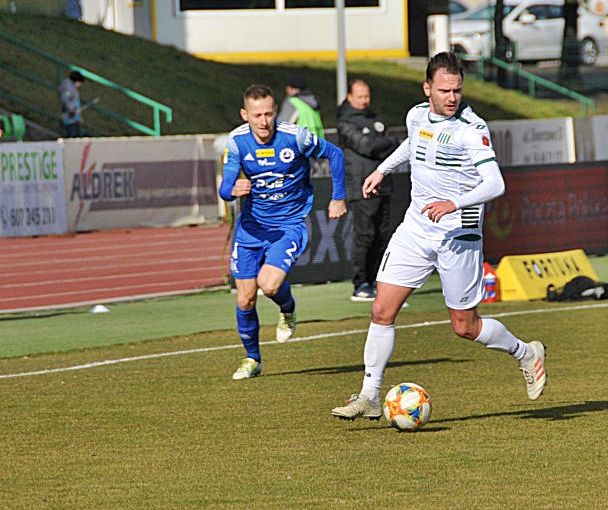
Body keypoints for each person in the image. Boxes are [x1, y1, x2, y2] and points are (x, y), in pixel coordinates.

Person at [331, 51, 547, 421]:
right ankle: (369, 393)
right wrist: (382, 170)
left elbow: (496, 183)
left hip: (458, 233)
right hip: (416, 227)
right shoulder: (416, 115)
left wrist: (455, 203)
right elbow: (411, 145)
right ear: (427, 88)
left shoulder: (471, 128)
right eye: (445, 90)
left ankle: (526, 353)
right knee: (382, 309)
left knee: (465, 326)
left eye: (457, 90)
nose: (452, 97)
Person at [219, 84, 347, 380]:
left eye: (268, 114)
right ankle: (252, 359)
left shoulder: (295, 137)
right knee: (244, 299)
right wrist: (232, 189)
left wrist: (338, 197)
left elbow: (335, 154)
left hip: (289, 225)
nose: (264, 122)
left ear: (275, 111)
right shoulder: (237, 142)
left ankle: (288, 309)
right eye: (256, 115)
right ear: (245, 114)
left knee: (270, 285)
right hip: (251, 228)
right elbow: (226, 187)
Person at [336, 79, 399, 302]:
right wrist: (383, 142)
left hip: (383, 184)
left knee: (382, 236)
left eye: (367, 96)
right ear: (350, 97)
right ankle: (361, 283)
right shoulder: (344, 122)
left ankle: (377, 282)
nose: (364, 100)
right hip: (362, 186)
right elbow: (367, 146)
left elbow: (396, 142)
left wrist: (382, 143)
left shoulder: (375, 118)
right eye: (360, 96)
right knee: (365, 236)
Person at [276, 73, 323, 138]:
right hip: (318, 144)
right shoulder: (313, 103)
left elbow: (282, 126)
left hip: (300, 145)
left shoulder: (292, 103)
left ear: (290, 88)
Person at [59, 71, 85, 138]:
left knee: (77, 133)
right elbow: (66, 101)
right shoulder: (68, 87)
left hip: (74, 116)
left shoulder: (71, 87)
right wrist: (73, 110)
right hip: (69, 116)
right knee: (72, 134)